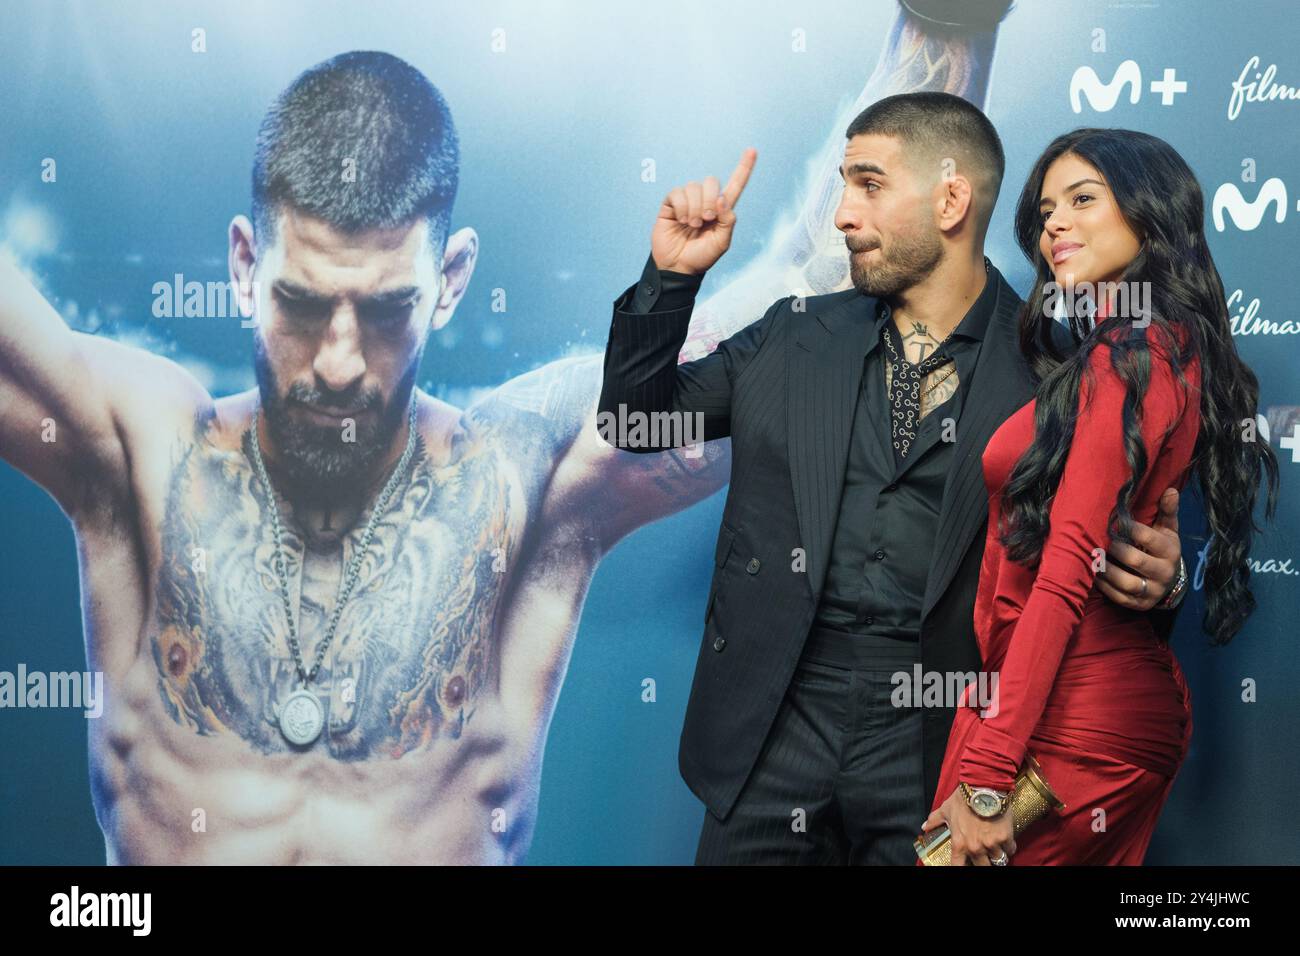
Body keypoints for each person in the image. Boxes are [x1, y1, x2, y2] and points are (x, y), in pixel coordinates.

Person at [0, 1, 1014, 865]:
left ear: (449, 282)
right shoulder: (133, 448)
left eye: (386, 310)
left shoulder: (524, 475)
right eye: (303, 304)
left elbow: (801, 301)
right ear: (238, 265)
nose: (341, 362)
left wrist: (948, 19)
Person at [599, 94, 1190, 864]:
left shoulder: (1059, 375)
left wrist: (1164, 582)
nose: (843, 214)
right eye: (843, 185)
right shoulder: (792, 335)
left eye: (868, 184)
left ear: (951, 200)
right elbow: (638, 422)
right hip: (775, 721)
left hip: (940, 736)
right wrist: (669, 281)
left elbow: (1086, 575)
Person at [921, 128, 1279, 865]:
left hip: (1070, 720)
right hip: (1072, 705)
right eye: (1047, 208)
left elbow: (1065, 569)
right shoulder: (1146, 349)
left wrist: (988, 777)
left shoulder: (1131, 356)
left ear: (1150, 214)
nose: (1055, 222)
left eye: (1083, 199)